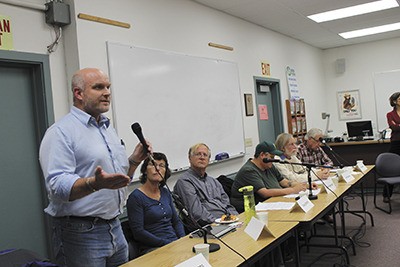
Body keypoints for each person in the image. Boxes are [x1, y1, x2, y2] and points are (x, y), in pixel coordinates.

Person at [39, 68, 149, 267]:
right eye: (98, 87)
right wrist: (93, 184)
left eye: (108, 87)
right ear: (78, 93)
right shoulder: (61, 132)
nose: (107, 92)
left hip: (114, 226)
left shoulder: (108, 130)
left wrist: (133, 161)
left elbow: (117, 181)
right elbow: (56, 186)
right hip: (80, 233)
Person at [230, 141, 315, 213]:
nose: (273, 159)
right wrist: (293, 190)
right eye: (271, 157)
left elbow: (284, 182)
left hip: (273, 203)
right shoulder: (249, 171)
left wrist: (304, 186)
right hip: (254, 210)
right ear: (262, 155)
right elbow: (265, 193)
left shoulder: (269, 165)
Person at [126, 152, 185, 255]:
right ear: (144, 170)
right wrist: (167, 243)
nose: (157, 168)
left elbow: (176, 221)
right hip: (153, 248)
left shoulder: (165, 192)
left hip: (174, 243)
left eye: (162, 166)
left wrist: (183, 240)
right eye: (153, 164)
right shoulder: (136, 197)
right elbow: (138, 232)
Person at [173, 143, 238, 228]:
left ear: (208, 159)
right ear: (190, 158)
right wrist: (218, 224)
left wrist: (236, 218)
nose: (202, 157)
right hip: (209, 227)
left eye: (205, 155)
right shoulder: (185, 182)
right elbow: (197, 213)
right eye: (198, 154)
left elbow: (227, 205)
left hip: (227, 223)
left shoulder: (214, 181)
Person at [383, 92, 400, 202]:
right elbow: (393, 127)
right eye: (399, 99)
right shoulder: (390, 114)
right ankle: (386, 195)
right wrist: (397, 126)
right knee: (392, 168)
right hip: (396, 143)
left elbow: (397, 125)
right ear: (394, 101)